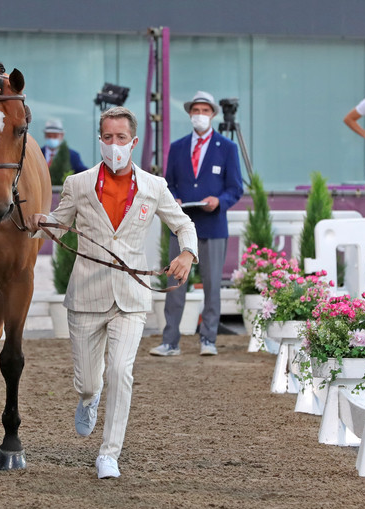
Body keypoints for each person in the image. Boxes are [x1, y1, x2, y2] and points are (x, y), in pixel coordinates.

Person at [27, 106, 198, 479]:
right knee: (90, 382)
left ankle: (109, 453)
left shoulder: (155, 186)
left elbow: (183, 224)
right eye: (108, 137)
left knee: (121, 370)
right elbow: (57, 224)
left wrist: (187, 252)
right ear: (100, 140)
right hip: (86, 296)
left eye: (122, 138)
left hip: (132, 297)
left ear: (133, 142)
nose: (115, 144)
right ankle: (88, 399)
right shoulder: (78, 183)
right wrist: (36, 222)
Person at [149, 90, 244, 358]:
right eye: (196, 110)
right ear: (190, 114)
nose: (200, 115)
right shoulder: (177, 147)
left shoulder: (227, 148)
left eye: (205, 111)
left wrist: (219, 201)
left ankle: (208, 339)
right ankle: (170, 341)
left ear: (213, 114)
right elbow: (169, 183)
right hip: (181, 227)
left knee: (212, 285)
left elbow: (235, 188)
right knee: (176, 283)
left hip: (213, 226)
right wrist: (174, 199)